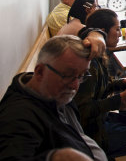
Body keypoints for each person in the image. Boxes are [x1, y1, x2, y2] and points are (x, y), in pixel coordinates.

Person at [0, 33, 108, 161]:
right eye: (68, 74)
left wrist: (97, 35)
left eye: (82, 75)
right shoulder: (19, 116)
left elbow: (91, 34)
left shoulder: (52, 91)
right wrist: (52, 158)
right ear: (40, 71)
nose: (75, 86)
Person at [74, 9, 126, 153]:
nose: (120, 34)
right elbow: (83, 111)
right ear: (102, 32)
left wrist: (121, 83)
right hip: (95, 133)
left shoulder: (98, 56)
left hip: (104, 119)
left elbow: (100, 88)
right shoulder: (89, 64)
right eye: (117, 29)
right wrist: (121, 98)